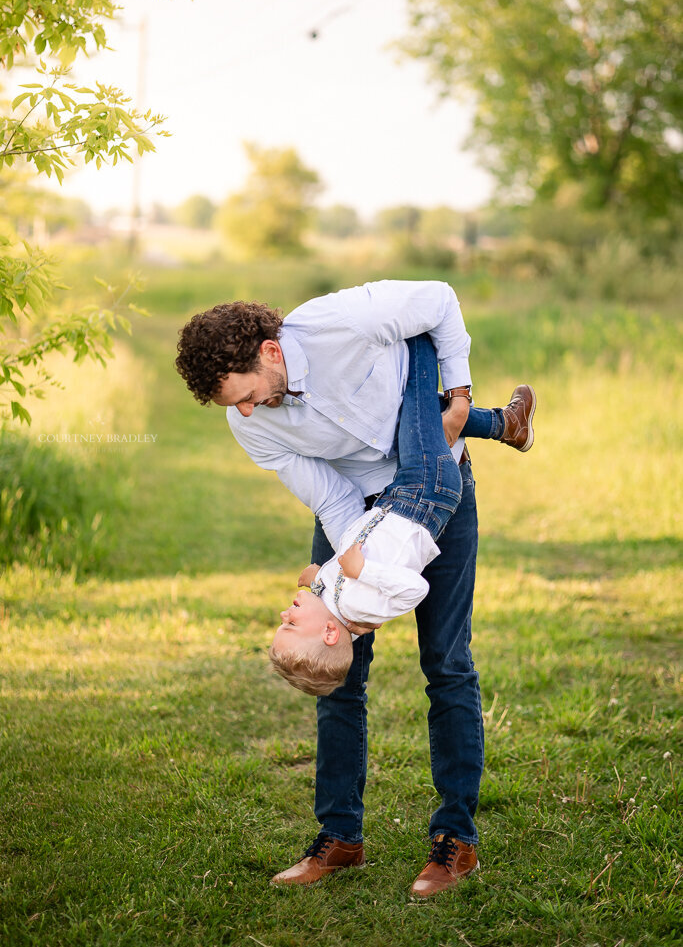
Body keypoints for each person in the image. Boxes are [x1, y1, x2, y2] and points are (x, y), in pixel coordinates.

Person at [175, 280, 536, 898]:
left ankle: (455, 841)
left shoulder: (338, 323)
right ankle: (340, 837)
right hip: (359, 522)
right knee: (336, 674)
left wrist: (456, 398)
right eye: (233, 406)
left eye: (247, 396)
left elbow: (440, 301)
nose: (245, 413)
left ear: (270, 352)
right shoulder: (252, 425)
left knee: (447, 663)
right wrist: (353, 571)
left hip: (438, 487)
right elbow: (332, 497)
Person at [269, 333, 536, 698]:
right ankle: (420, 329)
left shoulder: (336, 601)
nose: (284, 617)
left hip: (400, 499)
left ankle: (506, 424)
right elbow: (415, 588)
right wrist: (363, 571)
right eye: (290, 627)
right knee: (415, 398)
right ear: (330, 634)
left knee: (406, 414)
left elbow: (339, 576)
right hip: (425, 497)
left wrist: (319, 575)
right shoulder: (358, 607)